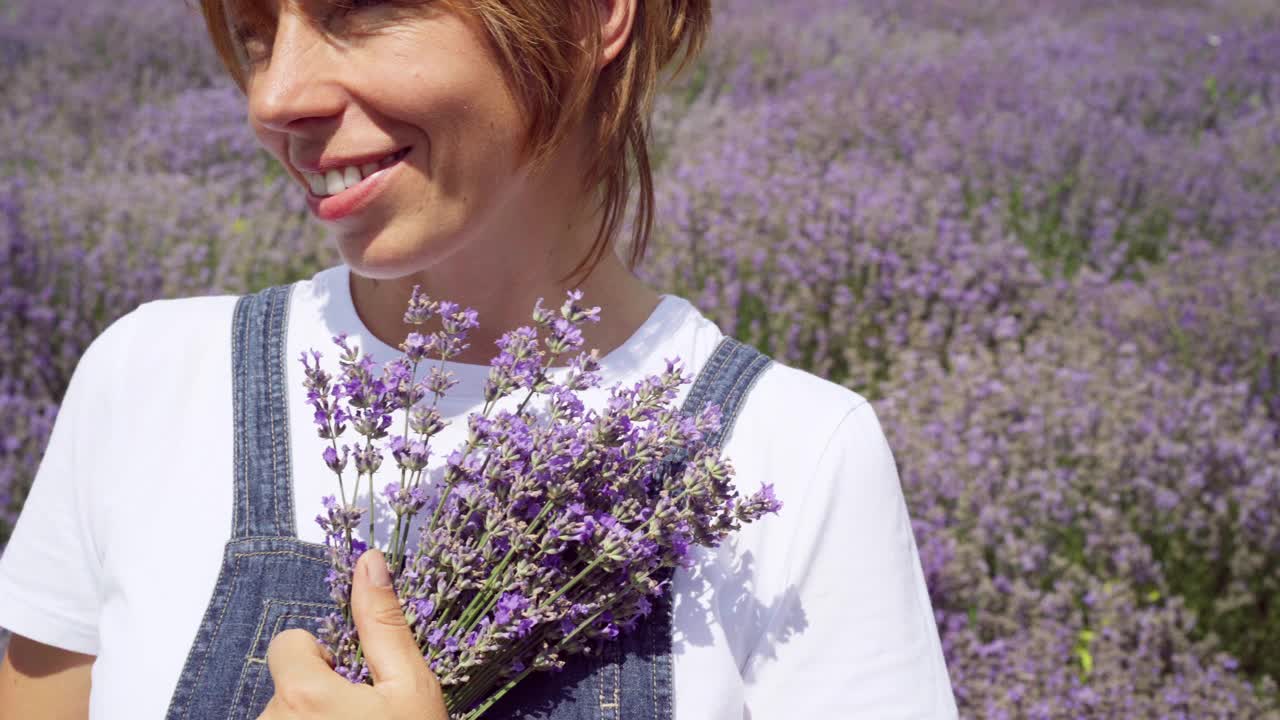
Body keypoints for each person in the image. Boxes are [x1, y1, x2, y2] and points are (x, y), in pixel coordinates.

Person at [0, 0, 959, 718]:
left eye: (360, 10)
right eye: (255, 30)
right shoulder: (151, 379)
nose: (273, 96)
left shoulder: (794, 455)